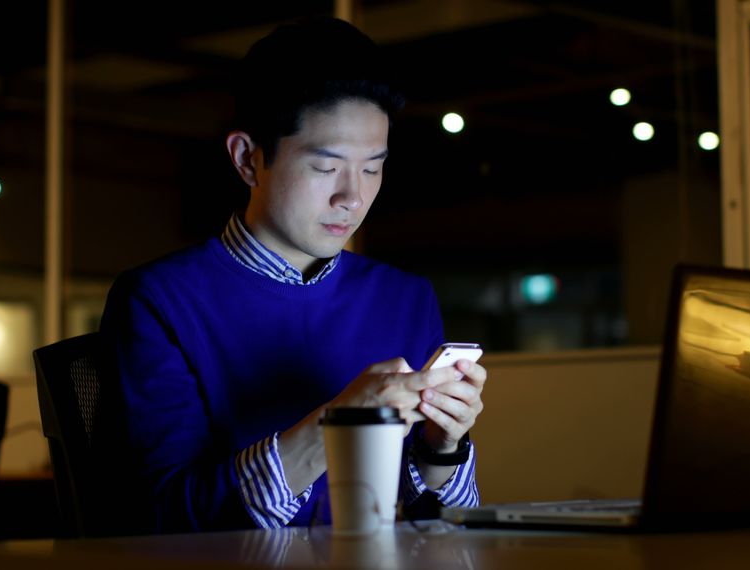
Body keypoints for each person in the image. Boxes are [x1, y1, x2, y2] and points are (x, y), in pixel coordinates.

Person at [99, 17, 487, 532]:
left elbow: (441, 530)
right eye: (326, 168)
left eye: (372, 168)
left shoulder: (404, 297)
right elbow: (168, 518)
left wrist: (443, 449)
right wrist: (338, 424)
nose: (352, 196)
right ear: (247, 159)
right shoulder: (158, 300)